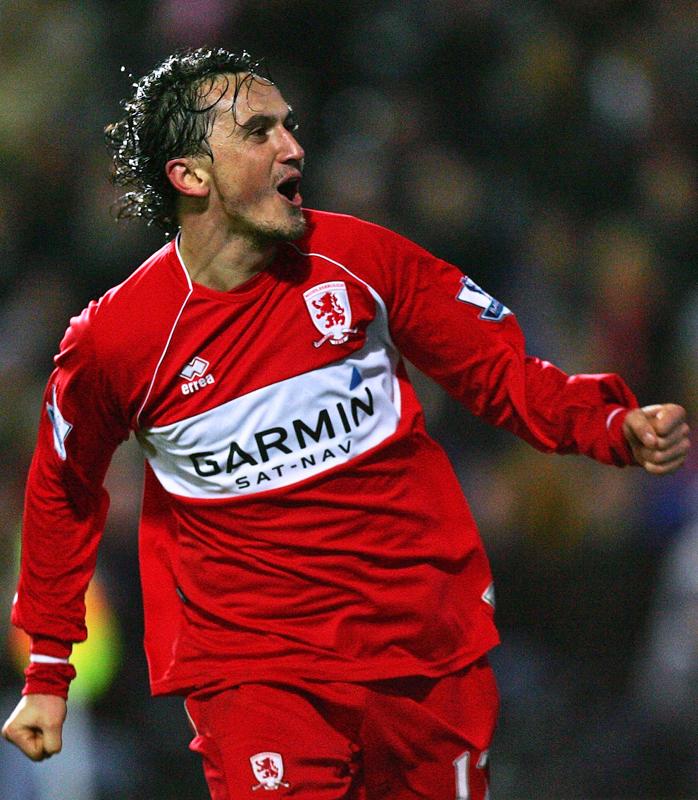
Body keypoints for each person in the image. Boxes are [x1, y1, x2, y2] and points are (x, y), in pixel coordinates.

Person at [1, 47, 690, 800]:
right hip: (256, 669)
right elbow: (62, 492)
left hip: (420, 640)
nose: (293, 147)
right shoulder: (118, 340)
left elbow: (497, 369)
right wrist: (49, 671)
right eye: (259, 131)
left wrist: (609, 424)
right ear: (190, 175)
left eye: (288, 126)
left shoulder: (358, 258)